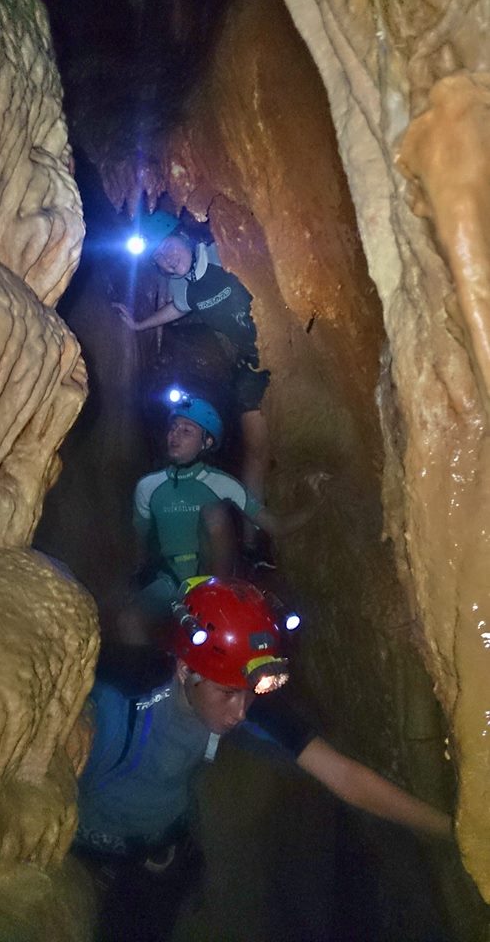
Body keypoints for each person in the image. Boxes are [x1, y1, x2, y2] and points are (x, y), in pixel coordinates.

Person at [75, 577, 453, 941]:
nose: (240, 711)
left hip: (164, 853)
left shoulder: (239, 697)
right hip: (85, 854)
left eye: (249, 693)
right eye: (227, 694)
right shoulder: (116, 702)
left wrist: (452, 831)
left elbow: (345, 777)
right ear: (186, 669)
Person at [115, 209, 271, 558]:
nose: (167, 260)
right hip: (250, 363)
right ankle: (251, 544)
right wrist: (141, 325)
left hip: (277, 345)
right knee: (257, 451)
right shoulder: (180, 284)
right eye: (159, 259)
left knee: (269, 443)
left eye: (168, 248)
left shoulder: (221, 252)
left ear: (183, 236)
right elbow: (177, 307)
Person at [121, 392, 327, 643]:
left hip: (216, 583)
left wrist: (312, 504)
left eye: (187, 431)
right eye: (173, 428)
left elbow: (275, 525)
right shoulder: (148, 487)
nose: (175, 436)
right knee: (129, 621)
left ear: (206, 442)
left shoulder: (221, 483)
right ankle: (149, 672)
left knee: (214, 513)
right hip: (170, 583)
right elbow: (139, 543)